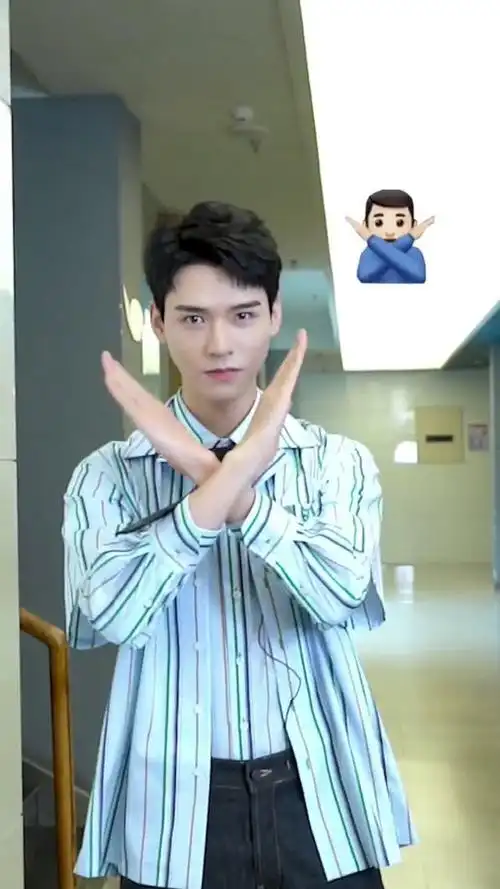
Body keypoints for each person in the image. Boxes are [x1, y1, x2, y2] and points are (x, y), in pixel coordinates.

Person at [63, 201, 416, 889]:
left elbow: (339, 594)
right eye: (194, 318)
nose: (219, 344)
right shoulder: (106, 475)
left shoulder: (337, 463)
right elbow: (111, 614)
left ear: (275, 315)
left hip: (321, 796)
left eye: (243, 315)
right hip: (171, 808)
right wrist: (214, 488)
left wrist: (227, 485)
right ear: (158, 321)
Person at [346, 189, 435, 284]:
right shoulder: (368, 253)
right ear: (365, 225)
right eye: (378, 223)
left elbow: (419, 276)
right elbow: (365, 276)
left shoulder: (414, 253)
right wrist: (409, 238)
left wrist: (371, 239)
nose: (389, 232)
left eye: (400, 223)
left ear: (413, 225)